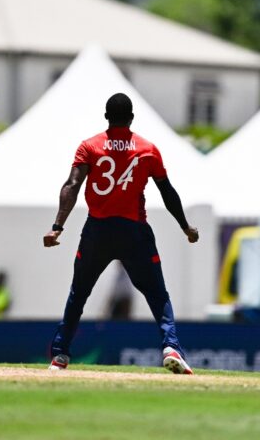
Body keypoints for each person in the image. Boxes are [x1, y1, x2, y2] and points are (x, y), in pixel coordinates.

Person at [43, 93, 199, 374]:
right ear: (131, 118)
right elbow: (167, 192)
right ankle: (171, 347)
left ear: (106, 117)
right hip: (134, 231)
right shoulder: (147, 149)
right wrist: (184, 226)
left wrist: (57, 227)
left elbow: (72, 185)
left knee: (79, 294)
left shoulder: (89, 146)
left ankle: (60, 355)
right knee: (157, 294)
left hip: (97, 230)